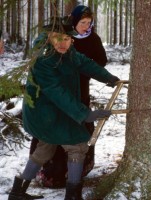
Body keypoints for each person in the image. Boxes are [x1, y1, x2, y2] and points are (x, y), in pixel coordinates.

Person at [8, 17, 120, 200]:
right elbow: (57, 91)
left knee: (45, 149)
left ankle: (17, 192)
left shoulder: (67, 51)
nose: (63, 43)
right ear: (48, 37)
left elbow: (84, 62)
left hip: (55, 111)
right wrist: (85, 114)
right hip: (46, 113)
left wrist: (107, 77)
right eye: (57, 38)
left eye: (67, 39)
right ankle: (73, 196)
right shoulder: (44, 59)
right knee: (77, 146)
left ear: (71, 39)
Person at [29, 5, 109, 188]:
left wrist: (86, 70)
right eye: (82, 22)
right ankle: (49, 174)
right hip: (57, 91)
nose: (86, 26)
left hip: (80, 89)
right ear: (74, 20)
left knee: (77, 134)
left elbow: (101, 60)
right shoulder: (63, 35)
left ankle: (73, 177)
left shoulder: (93, 38)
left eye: (89, 22)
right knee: (51, 137)